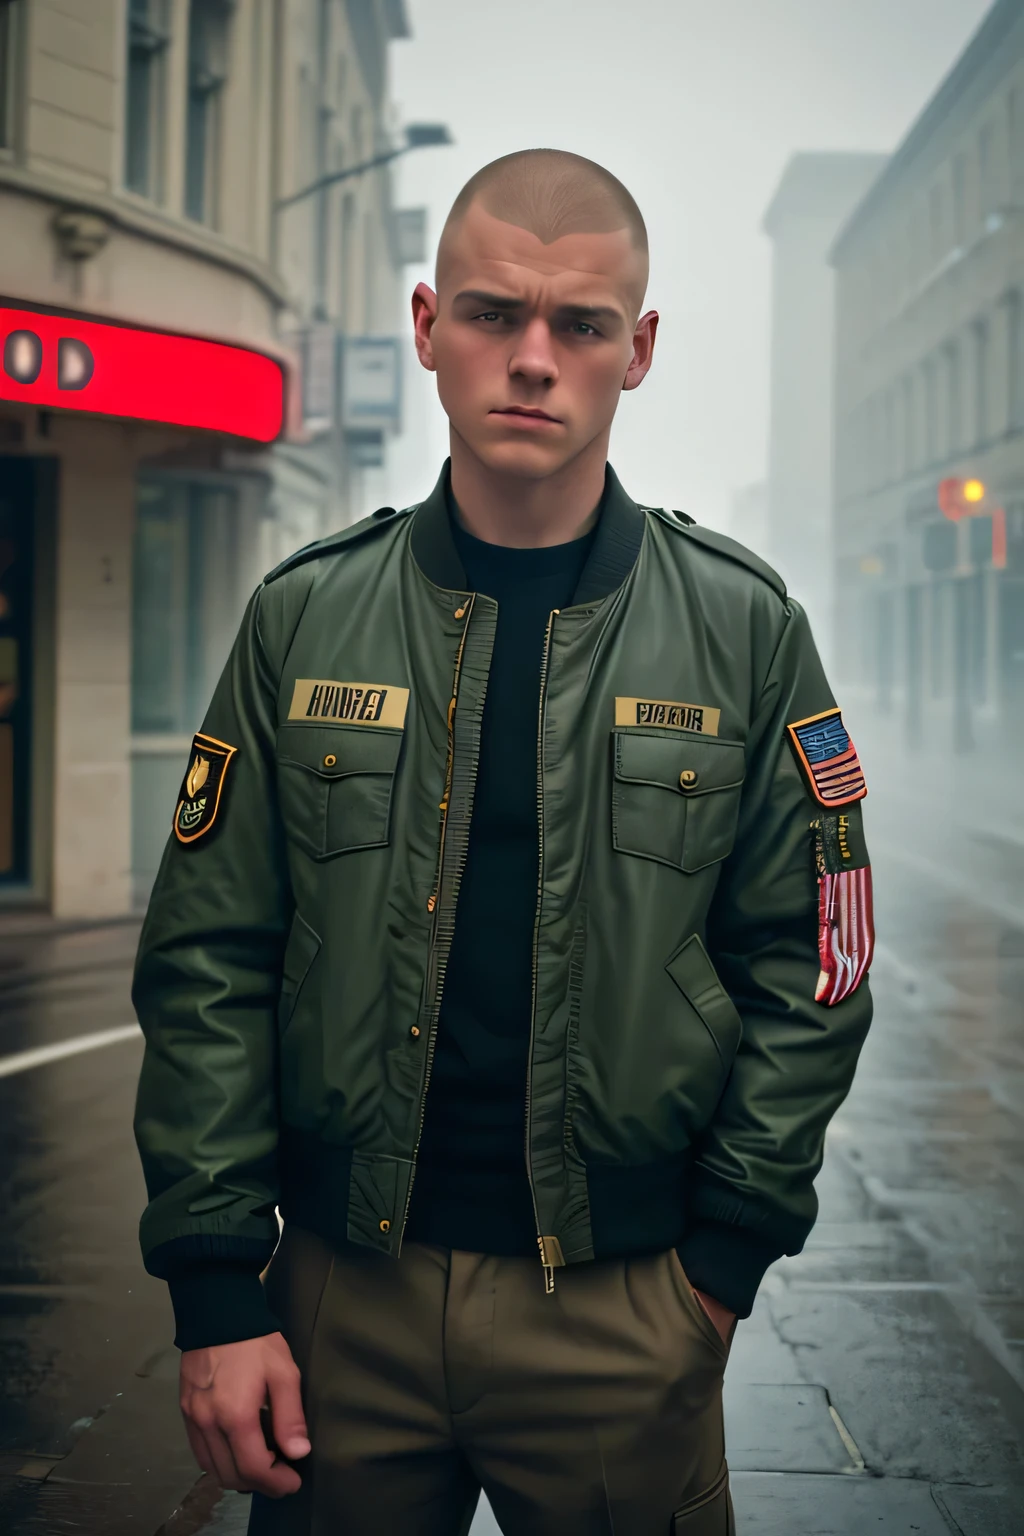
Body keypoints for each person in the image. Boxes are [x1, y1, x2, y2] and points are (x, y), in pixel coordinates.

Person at [133, 149, 874, 1536]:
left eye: (580, 325)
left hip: (623, 1308)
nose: (532, 358)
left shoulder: (745, 629)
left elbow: (818, 960)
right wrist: (217, 1287)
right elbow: (208, 958)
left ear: (636, 350)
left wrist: (720, 1262)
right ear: (426, 326)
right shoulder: (305, 618)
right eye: (491, 313)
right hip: (340, 1306)